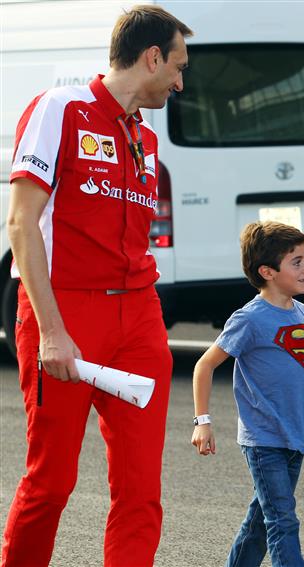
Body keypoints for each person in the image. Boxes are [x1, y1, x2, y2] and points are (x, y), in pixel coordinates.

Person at [3, 6, 192, 567]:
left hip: (139, 317)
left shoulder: (146, 135)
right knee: (52, 482)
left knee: (141, 491)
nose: (181, 82)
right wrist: (54, 334)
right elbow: (20, 224)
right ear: (152, 56)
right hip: (64, 315)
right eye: (178, 67)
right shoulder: (59, 108)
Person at [190, 221, 304, 567]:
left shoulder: (303, 314)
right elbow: (204, 365)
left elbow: (301, 376)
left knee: (260, 521)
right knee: (283, 521)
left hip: (294, 439)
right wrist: (203, 421)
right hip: (264, 442)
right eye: (297, 262)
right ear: (267, 271)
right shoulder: (250, 319)